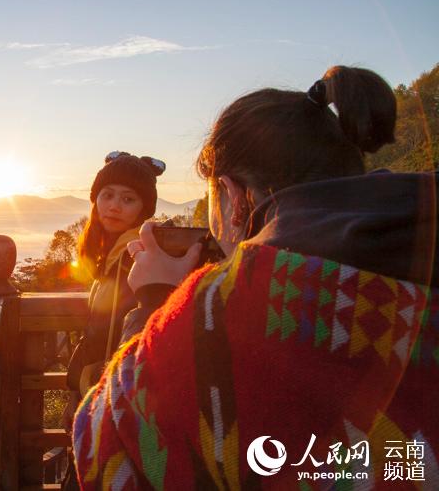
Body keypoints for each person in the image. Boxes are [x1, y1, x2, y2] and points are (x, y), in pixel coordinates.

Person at [73, 66, 439, 489]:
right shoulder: (416, 250)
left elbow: (103, 447)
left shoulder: (224, 311)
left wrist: (159, 305)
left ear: (232, 197)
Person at [60, 151, 164, 490]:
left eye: (128, 198)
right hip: (97, 391)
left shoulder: (139, 257)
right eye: (107, 195)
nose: (114, 205)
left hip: (115, 399)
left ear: (143, 209)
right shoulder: (111, 255)